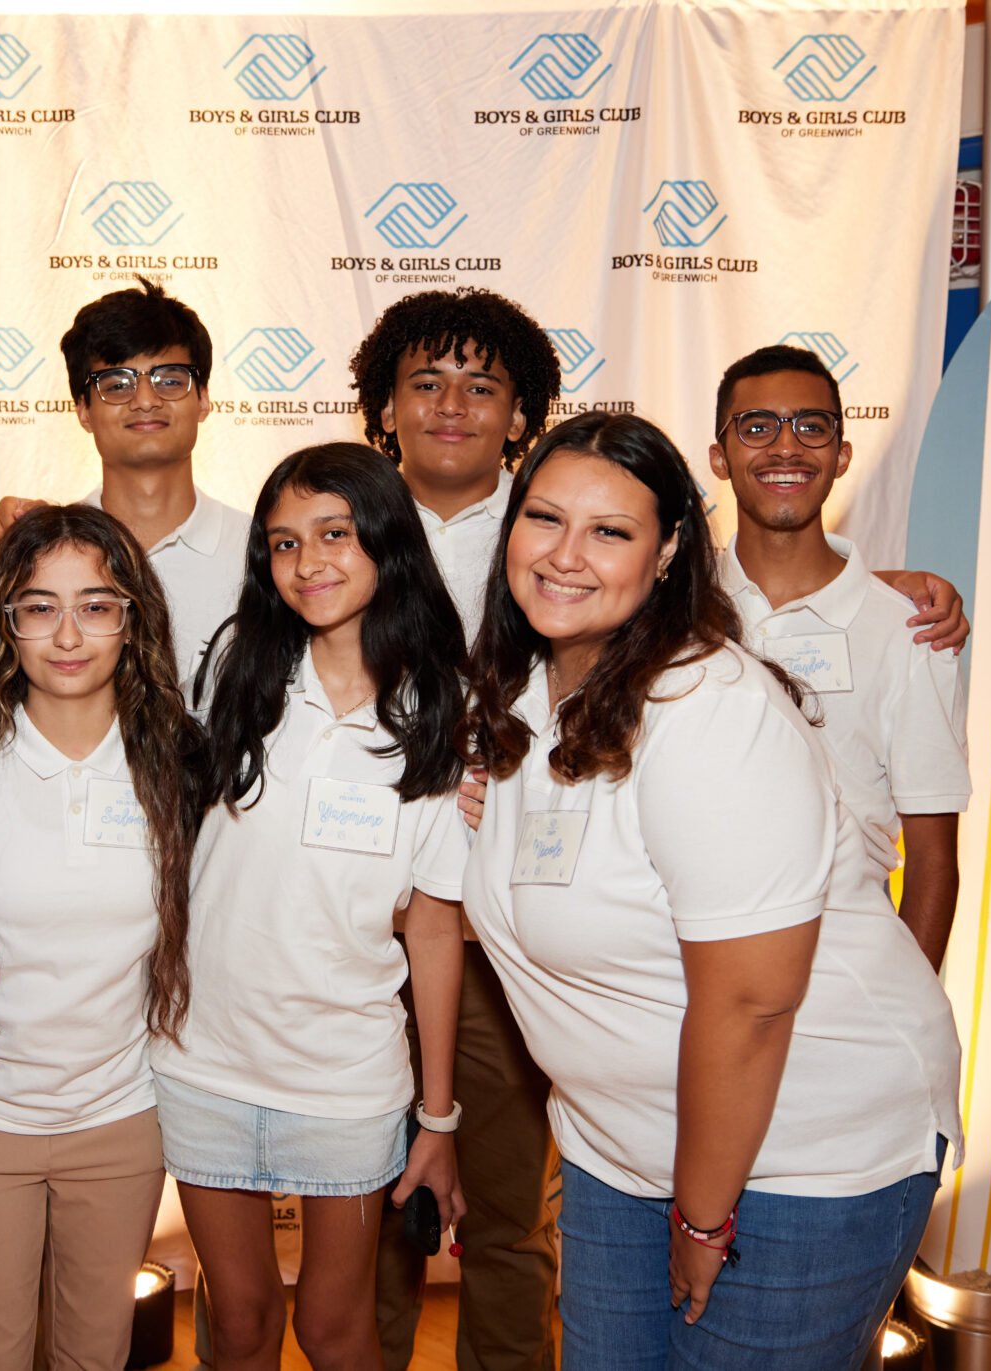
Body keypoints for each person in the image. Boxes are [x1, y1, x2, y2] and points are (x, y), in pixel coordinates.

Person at [459, 411, 961, 1370]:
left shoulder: (710, 709)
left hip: (801, 1158)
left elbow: (751, 1004)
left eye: (610, 531)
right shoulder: (522, 696)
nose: (565, 554)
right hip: (615, 1149)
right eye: (544, 517)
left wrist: (701, 1215)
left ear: (668, 552)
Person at [153, 442, 471, 1371]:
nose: (308, 562)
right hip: (205, 1062)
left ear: (386, 539)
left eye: (335, 533)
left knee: (336, 1330)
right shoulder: (236, 667)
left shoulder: (444, 711)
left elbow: (435, 926)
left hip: (347, 1077)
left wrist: (438, 1117)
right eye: (284, 543)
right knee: (239, 1324)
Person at [0, 504, 203, 1371]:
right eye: (38, 607)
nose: (68, 635)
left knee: (95, 1355)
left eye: (95, 605)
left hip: (120, 1117)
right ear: (4, 621)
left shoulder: (182, 761)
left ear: (133, 618)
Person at [346, 289, 563, 1371]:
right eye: (426, 382)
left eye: (482, 387)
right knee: (371, 1214)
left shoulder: (560, 531)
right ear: (385, 406)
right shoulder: (334, 522)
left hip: (506, 930)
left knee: (511, 1217)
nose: (451, 405)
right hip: (353, 923)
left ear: (519, 416)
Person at [709, 345, 970, 969]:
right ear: (720, 458)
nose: (786, 447)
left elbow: (934, 861)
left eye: (811, 425)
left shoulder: (911, 630)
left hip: (846, 968)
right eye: (757, 427)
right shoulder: (668, 615)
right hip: (681, 968)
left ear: (841, 454)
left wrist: (907, 1003)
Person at [0, 278, 253, 697]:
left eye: (170, 380)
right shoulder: (26, 552)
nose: (146, 400)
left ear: (204, 399)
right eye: (117, 384)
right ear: (83, 411)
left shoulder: (262, 552)